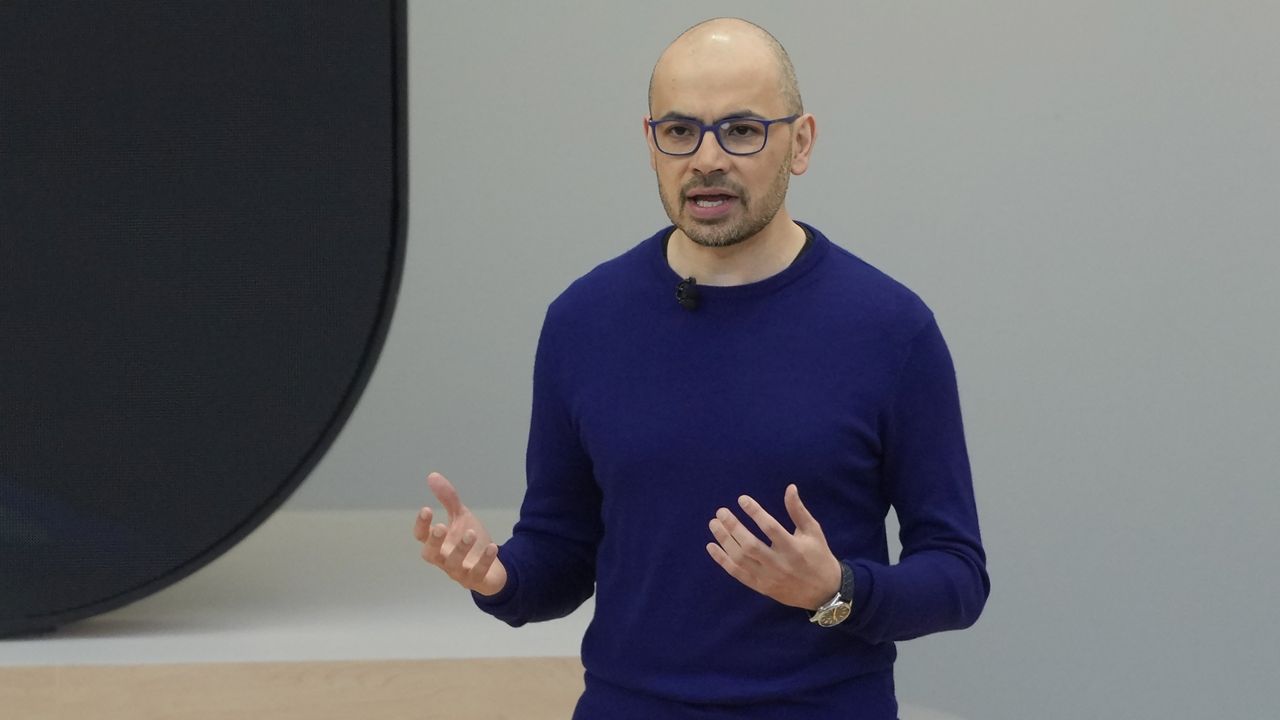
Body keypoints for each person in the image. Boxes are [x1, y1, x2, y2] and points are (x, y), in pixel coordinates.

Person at [413, 17, 989, 719]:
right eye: (680, 132)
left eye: (742, 131)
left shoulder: (890, 330)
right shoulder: (584, 321)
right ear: (650, 142)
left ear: (800, 143)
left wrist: (837, 590)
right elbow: (560, 553)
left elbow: (958, 576)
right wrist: (498, 574)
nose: (706, 159)